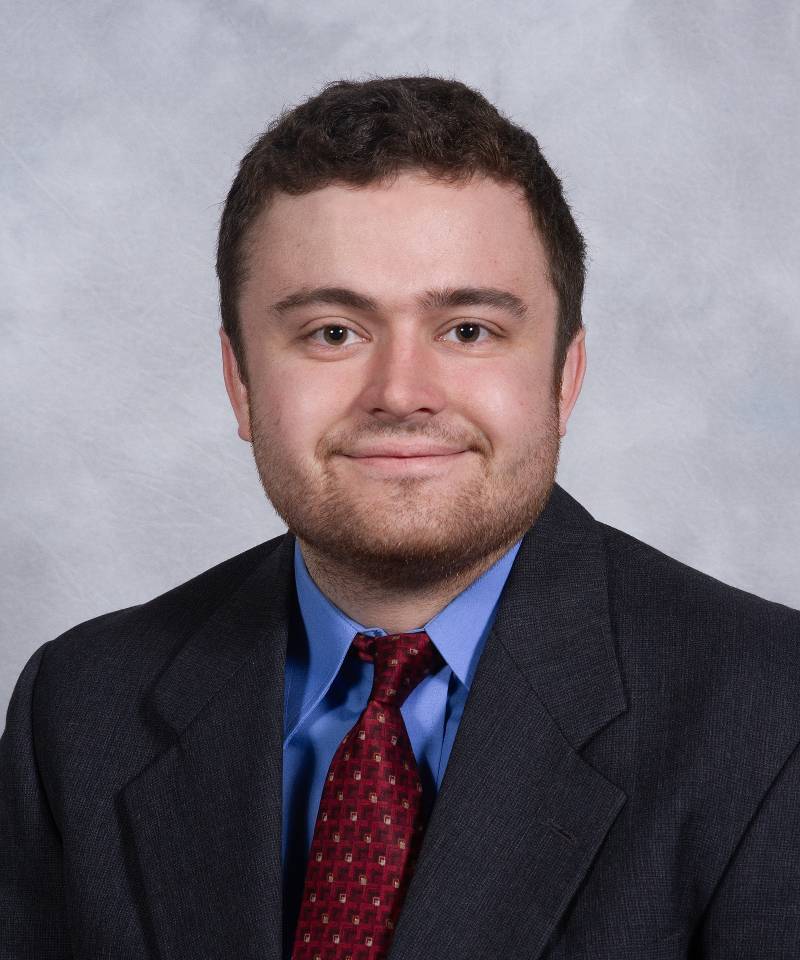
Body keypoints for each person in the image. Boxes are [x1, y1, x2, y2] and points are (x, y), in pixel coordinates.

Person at [1, 75, 799, 960]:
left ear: (564, 378)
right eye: (333, 332)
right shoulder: (79, 710)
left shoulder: (771, 714)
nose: (401, 394)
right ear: (241, 383)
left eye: (468, 330)